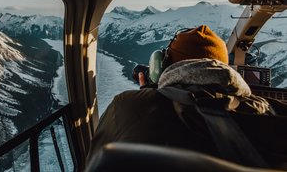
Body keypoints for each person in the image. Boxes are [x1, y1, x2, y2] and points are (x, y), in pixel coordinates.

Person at [86, 25, 273, 164]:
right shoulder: (267, 110)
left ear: (164, 65)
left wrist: (146, 97)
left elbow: (93, 161)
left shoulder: (125, 106)